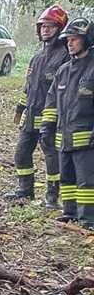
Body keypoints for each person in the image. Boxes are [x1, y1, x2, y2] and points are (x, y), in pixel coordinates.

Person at [6, 5, 69, 206]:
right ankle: (25, 190)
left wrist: (56, 119)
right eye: (43, 26)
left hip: (51, 118)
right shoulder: (37, 57)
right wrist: (19, 110)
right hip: (31, 116)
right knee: (21, 153)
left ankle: (52, 197)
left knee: (51, 156)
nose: (45, 30)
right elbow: (29, 87)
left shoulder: (65, 57)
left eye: (50, 26)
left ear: (60, 29)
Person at [41, 17, 94, 227]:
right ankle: (70, 212)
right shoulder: (63, 71)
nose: (70, 43)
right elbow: (51, 102)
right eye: (68, 39)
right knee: (67, 179)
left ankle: (88, 218)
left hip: (87, 140)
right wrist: (46, 128)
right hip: (64, 137)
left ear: (87, 39)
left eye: (75, 39)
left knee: (87, 183)